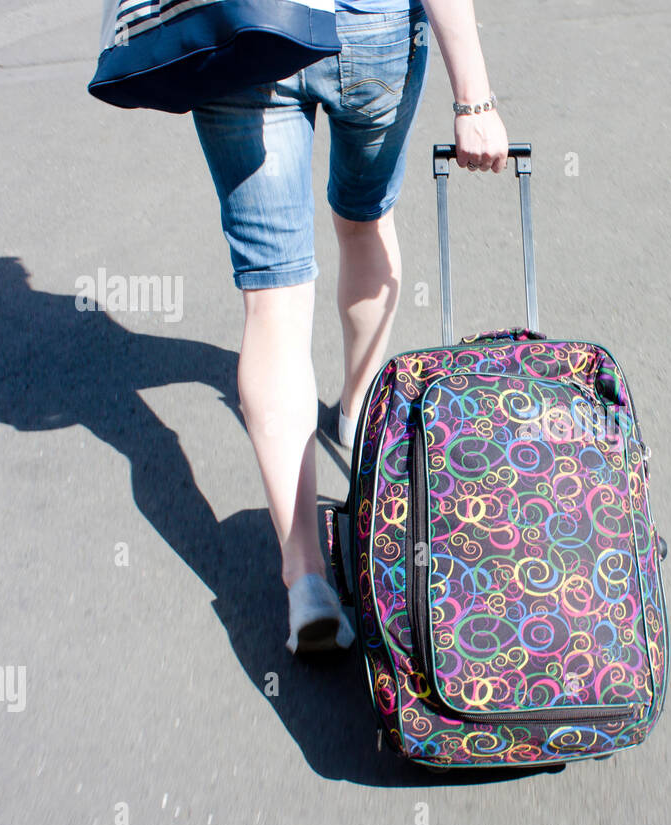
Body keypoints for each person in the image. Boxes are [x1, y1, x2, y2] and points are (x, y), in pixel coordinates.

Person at [191, 0, 508, 654]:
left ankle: (304, 574)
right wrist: (473, 99)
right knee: (362, 222)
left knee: (274, 296)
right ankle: (361, 414)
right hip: (368, 27)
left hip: (244, 31)